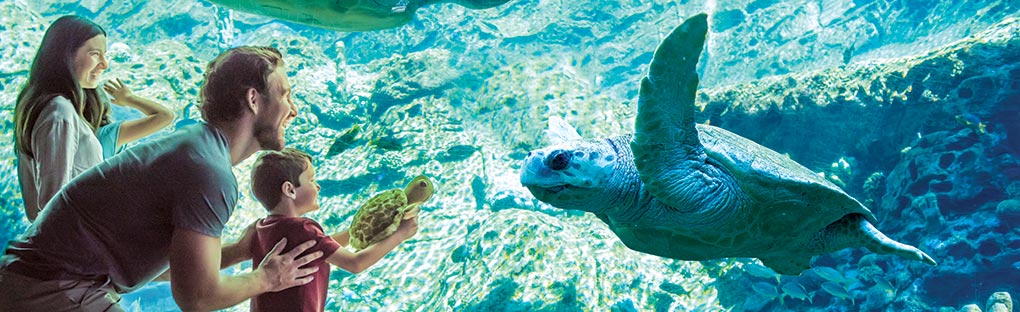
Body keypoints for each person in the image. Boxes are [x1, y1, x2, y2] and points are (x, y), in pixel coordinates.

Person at [0, 45, 319, 312]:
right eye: (285, 95)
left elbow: (176, 270)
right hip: (53, 289)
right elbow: (197, 297)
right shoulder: (208, 171)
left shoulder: (196, 148)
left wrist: (238, 250)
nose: (293, 110)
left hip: (33, 283)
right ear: (253, 99)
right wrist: (268, 278)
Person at [13, 15, 173, 222]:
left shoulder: (50, 109)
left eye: (104, 55)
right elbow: (52, 202)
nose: (105, 64)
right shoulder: (59, 111)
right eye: (95, 54)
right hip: (77, 235)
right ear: (65, 55)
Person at [234, 148, 419, 312]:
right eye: (311, 180)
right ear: (290, 190)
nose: (318, 185)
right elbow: (355, 263)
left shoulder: (262, 228)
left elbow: (320, 248)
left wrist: (361, 227)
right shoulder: (303, 228)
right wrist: (400, 234)